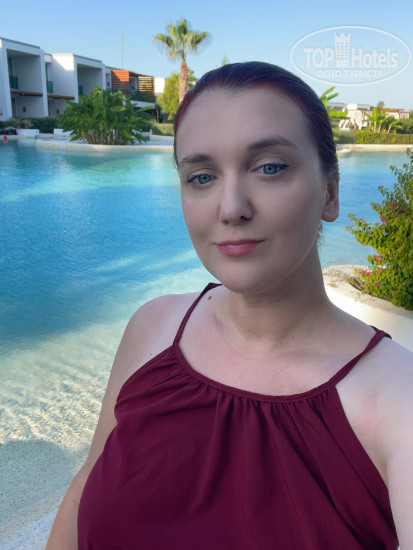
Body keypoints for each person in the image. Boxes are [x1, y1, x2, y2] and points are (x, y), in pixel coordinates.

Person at [46, 62, 412, 549]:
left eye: (270, 168)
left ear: (330, 192)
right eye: (201, 177)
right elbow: (79, 497)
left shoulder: (397, 399)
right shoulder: (153, 327)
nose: (231, 208)